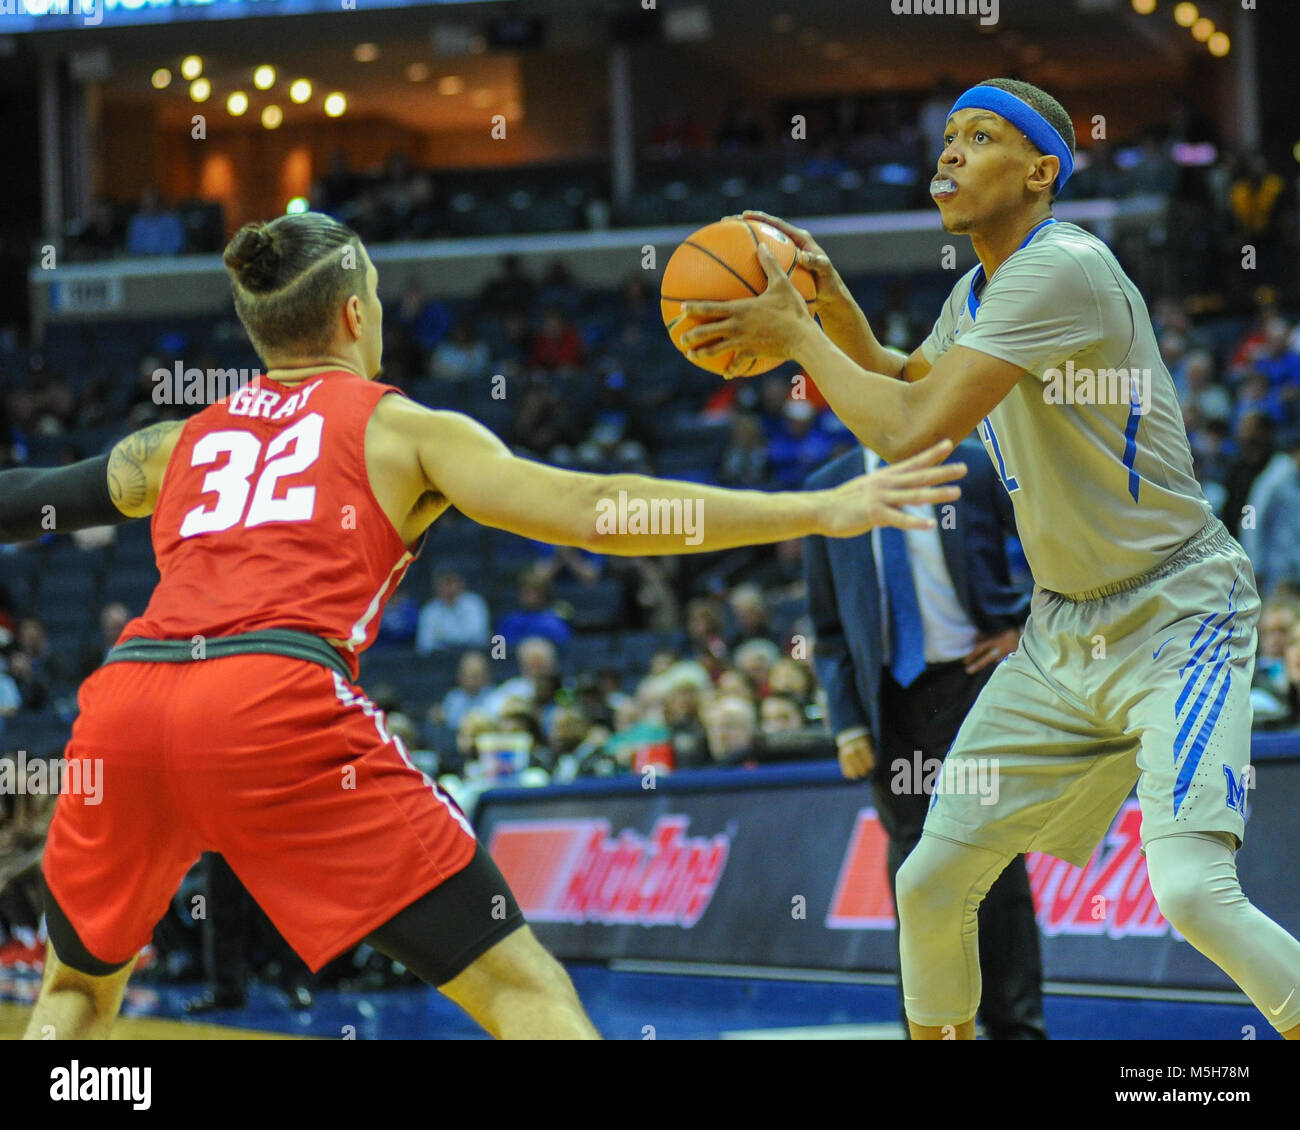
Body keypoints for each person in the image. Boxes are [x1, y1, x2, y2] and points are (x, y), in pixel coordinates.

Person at [4, 210, 964, 1041]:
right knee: (517, 987)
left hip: (125, 706)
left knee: (80, 995)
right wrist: (812, 510)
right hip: (270, 697)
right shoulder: (403, 427)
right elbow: (601, 510)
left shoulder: (176, 442)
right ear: (353, 314)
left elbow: (36, 496)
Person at [678, 78, 1300, 1041]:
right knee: (929, 878)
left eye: (981, 137)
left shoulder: (1062, 269)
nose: (951, 152)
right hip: (1063, 634)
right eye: (949, 136)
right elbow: (908, 379)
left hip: (1178, 614)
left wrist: (797, 335)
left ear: (1042, 172)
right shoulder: (979, 294)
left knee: (1192, 894)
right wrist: (833, 308)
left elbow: (914, 427)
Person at [804, 439, 1045, 1039]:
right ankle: (932, 1030)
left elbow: (1063, 545)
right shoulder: (828, 488)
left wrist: (1029, 625)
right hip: (890, 704)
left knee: (992, 856)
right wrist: (847, 723)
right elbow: (829, 631)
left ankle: (1017, 1029)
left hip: (976, 684)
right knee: (913, 874)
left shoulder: (977, 462)